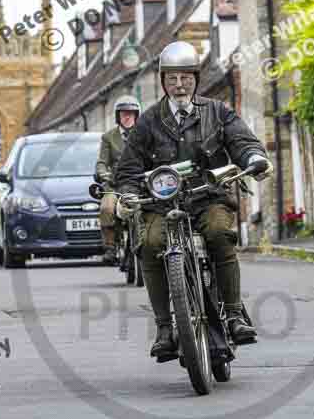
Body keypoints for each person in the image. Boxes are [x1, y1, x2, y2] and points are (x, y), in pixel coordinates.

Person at [116, 41, 273, 360]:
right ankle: (163, 328)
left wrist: (254, 158)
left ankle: (233, 315)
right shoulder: (148, 121)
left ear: (196, 79)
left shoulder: (218, 112)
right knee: (149, 245)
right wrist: (130, 193)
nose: (179, 85)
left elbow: (242, 141)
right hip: (162, 205)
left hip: (209, 197)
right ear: (163, 81)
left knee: (219, 235)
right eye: (172, 78)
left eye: (185, 78)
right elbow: (129, 167)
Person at [95, 94, 141, 264]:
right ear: (118, 116)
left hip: (138, 183)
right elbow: (102, 162)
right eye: (123, 113)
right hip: (115, 184)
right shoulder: (108, 137)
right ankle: (110, 247)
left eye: (131, 113)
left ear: (137, 115)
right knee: (107, 207)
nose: (127, 116)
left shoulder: (143, 134)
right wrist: (103, 173)